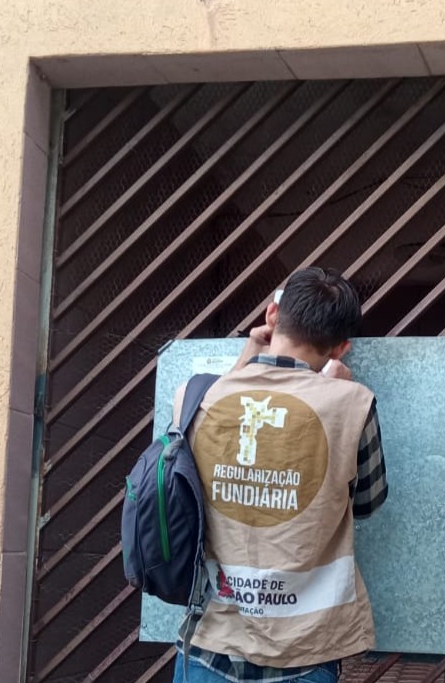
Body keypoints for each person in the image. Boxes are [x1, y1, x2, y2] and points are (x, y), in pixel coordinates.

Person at [173, 267, 388, 683]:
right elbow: (367, 502)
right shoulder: (353, 403)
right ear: (341, 348)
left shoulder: (196, 396)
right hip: (303, 651)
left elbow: (216, 421)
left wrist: (246, 357)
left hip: (210, 643)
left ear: (272, 316)